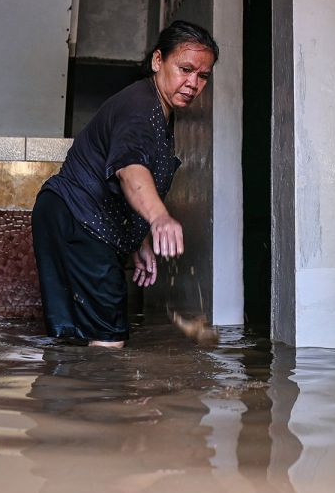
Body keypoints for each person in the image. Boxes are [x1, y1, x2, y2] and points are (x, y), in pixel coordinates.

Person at [32, 20, 218, 348]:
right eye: (185, 69)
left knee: (77, 334)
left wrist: (139, 243)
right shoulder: (140, 108)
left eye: (202, 76)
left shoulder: (158, 110)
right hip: (79, 219)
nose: (192, 83)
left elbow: (125, 187)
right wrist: (159, 218)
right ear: (158, 61)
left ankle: (66, 392)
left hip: (68, 216)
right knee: (108, 340)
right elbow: (129, 170)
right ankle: (105, 395)